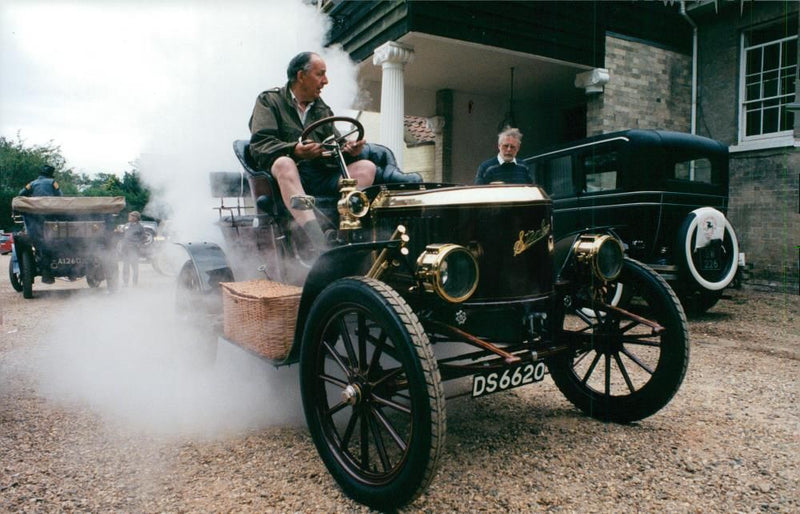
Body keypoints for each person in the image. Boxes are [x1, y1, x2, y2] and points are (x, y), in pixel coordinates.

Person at [248, 51, 376, 250]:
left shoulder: (322, 110)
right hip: (284, 179)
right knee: (284, 162)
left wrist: (348, 149)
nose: (326, 81)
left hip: (319, 175)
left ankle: (342, 239)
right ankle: (317, 240)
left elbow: (332, 145)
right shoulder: (269, 101)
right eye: (320, 74)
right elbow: (260, 145)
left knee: (366, 167)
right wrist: (295, 150)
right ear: (301, 76)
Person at [120, 211, 145, 287]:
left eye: (131, 216)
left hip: (133, 250)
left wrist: (137, 245)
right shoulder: (127, 225)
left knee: (134, 267)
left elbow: (143, 238)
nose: (129, 217)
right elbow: (123, 234)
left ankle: (134, 283)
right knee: (125, 267)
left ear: (135, 218)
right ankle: (125, 283)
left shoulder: (140, 227)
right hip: (126, 249)